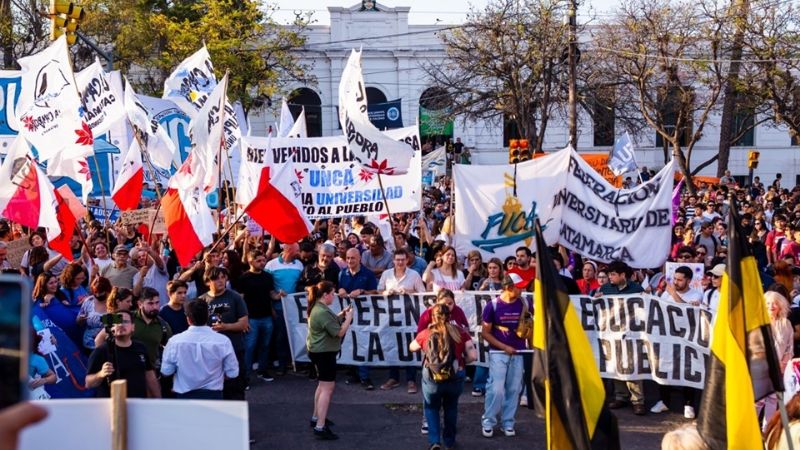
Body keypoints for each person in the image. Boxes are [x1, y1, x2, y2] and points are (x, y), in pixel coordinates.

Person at [410, 303, 476, 450]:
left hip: (432, 377)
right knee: (451, 408)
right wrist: (461, 362)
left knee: (431, 408)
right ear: (449, 316)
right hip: (455, 375)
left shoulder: (427, 333)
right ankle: (449, 441)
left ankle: (434, 442)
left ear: (433, 317)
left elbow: (412, 347)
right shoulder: (460, 332)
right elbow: (473, 355)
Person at [480, 275, 530, 438]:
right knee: (496, 389)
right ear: (509, 287)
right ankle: (488, 421)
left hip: (519, 352)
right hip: (498, 352)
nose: (522, 289)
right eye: (519, 287)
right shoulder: (492, 306)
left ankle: (508, 422)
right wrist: (504, 347)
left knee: (514, 388)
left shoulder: (525, 303)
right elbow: (485, 333)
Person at [651, 265, 703, 418]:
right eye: (674, 279)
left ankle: (689, 404)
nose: (675, 282)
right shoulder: (665, 294)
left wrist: (673, 294)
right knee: (664, 368)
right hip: (667, 337)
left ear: (688, 280)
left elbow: (684, 310)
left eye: (680, 280)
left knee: (688, 370)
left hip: (688, 339)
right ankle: (663, 401)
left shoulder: (697, 294)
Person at [160, 299, 239, 399]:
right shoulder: (223, 341)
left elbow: (166, 372)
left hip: (184, 397)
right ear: (207, 316)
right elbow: (232, 373)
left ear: (188, 319)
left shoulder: (174, 342)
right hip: (214, 397)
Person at [598, 261, 647, 415]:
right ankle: (621, 396)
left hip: (632, 334)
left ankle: (637, 400)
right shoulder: (605, 289)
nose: (609, 277)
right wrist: (597, 298)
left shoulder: (636, 289)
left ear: (622, 275)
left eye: (613, 274)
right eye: (609, 274)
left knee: (632, 365)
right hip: (612, 334)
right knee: (615, 363)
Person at [306, 281, 353, 440]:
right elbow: (339, 332)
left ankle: (316, 418)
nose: (334, 296)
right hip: (324, 353)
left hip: (319, 352)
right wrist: (349, 319)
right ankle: (320, 426)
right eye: (332, 293)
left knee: (322, 386)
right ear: (325, 295)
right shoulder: (321, 311)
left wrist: (341, 315)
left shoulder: (319, 308)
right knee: (327, 388)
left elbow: (330, 322)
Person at [198, 266, 249, 400]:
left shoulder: (235, 297)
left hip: (234, 349)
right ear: (207, 282)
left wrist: (225, 327)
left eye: (223, 277)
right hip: (211, 353)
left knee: (236, 387)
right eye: (215, 278)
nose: (220, 281)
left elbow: (244, 324)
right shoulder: (201, 301)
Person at [85, 309, 161, 398]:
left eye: (125, 321)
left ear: (133, 327)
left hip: (138, 404)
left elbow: (150, 377)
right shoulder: (101, 351)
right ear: (112, 327)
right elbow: (88, 383)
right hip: (111, 406)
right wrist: (101, 374)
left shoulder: (141, 348)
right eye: (118, 321)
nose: (121, 324)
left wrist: (158, 401)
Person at [337, 247, 378, 389]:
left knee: (363, 345)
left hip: (364, 317)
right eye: (347, 258)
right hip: (348, 316)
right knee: (350, 344)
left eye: (352, 258)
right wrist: (340, 290)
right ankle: (354, 374)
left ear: (359, 258)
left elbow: (375, 292)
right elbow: (338, 290)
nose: (349, 261)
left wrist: (362, 291)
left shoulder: (368, 274)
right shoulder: (342, 273)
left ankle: (365, 377)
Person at [237, 249, 280, 383]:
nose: (262, 263)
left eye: (263, 260)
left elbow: (271, 294)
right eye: (259, 261)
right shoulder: (244, 278)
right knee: (250, 347)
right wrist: (243, 319)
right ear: (250, 261)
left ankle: (262, 370)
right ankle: (245, 377)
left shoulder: (268, 277)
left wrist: (279, 296)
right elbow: (240, 300)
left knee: (265, 345)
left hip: (267, 317)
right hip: (251, 319)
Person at [265, 243, 303, 375]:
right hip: (279, 308)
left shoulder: (299, 265)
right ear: (288, 249)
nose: (299, 252)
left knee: (294, 336)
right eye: (297, 249)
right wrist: (272, 306)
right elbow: (267, 289)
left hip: (295, 309)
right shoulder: (271, 265)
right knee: (280, 336)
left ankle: (293, 362)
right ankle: (281, 364)